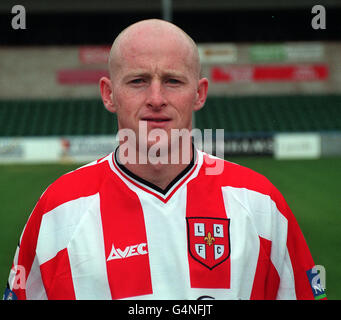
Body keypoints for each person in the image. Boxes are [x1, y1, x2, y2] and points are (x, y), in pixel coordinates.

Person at [4, 19, 326, 300]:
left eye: (173, 81)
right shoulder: (57, 211)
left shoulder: (261, 205)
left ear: (199, 93)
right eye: (138, 81)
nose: (156, 99)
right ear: (108, 94)